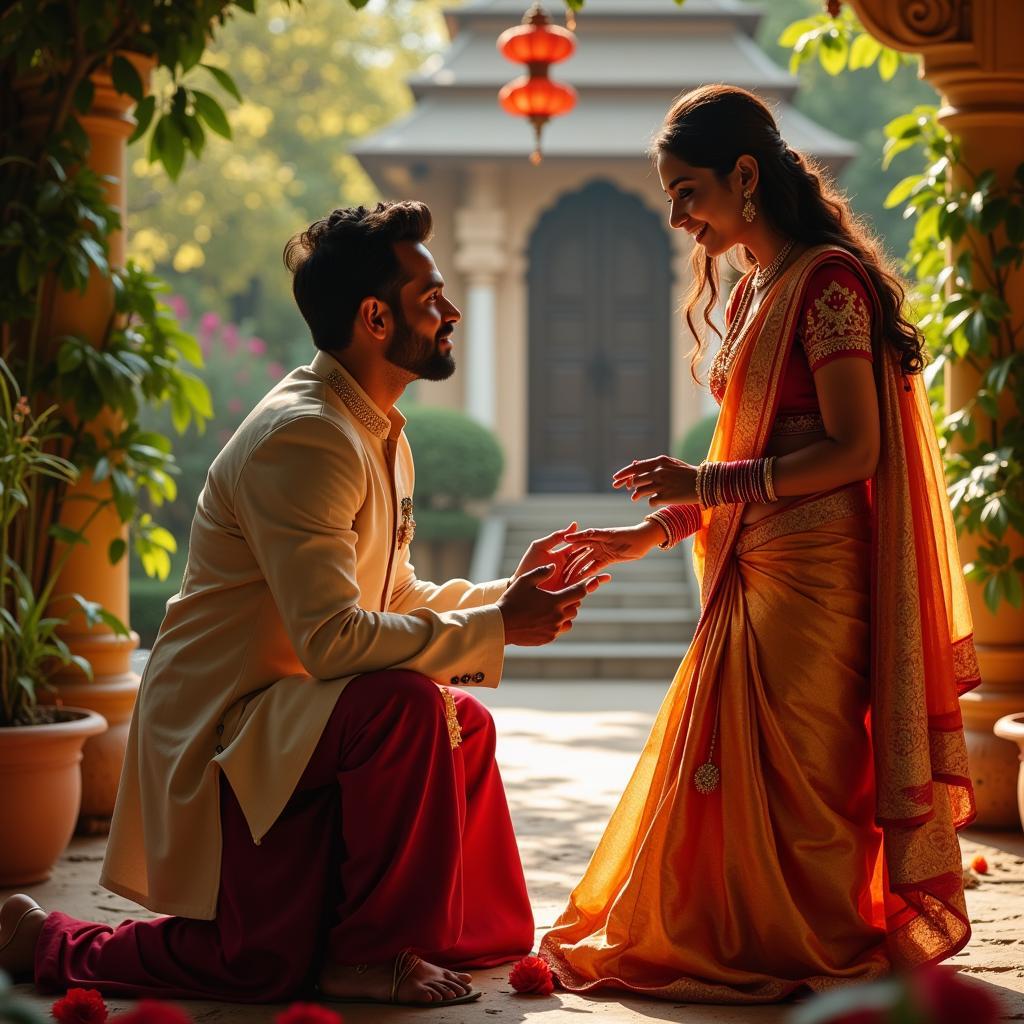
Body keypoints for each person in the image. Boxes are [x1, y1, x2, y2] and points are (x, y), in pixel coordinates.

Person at [0, 201, 609, 1007]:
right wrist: (497, 627)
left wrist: (507, 597)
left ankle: (435, 930)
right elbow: (333, 641)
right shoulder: (308, 436)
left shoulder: (374, 428)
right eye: (431, 296)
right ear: (374, 317)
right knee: (402, 715)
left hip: (296, 717)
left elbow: (389, 598)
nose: (452, 310)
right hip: (228, 724)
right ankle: (354, 953)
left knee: (462, 721)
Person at [539, 84, 979, 1003]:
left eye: (687, 191)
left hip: (819, 581)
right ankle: (736, 927)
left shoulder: (826, 283)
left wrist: (706, 490)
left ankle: (805, 941)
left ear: (745, 176)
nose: (676, 216)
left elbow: (853, 448)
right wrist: (653, 530)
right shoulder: (754, 290)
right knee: (729, 777)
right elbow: (741, 451)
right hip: (757, 567)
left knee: (809, 783)